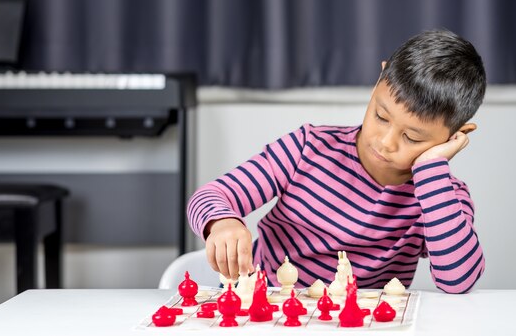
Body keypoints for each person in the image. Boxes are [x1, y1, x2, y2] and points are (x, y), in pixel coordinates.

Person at [187, 29, 486, 294]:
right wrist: (222, 222)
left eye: (413, 138)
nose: (386, 142)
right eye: (381, 117)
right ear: (379, 79)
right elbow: (210, 195)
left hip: (359, 323)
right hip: (269, 304)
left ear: (452, 137)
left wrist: (432, 169)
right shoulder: (307, 148)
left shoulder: (441, 196)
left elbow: (458, 280)